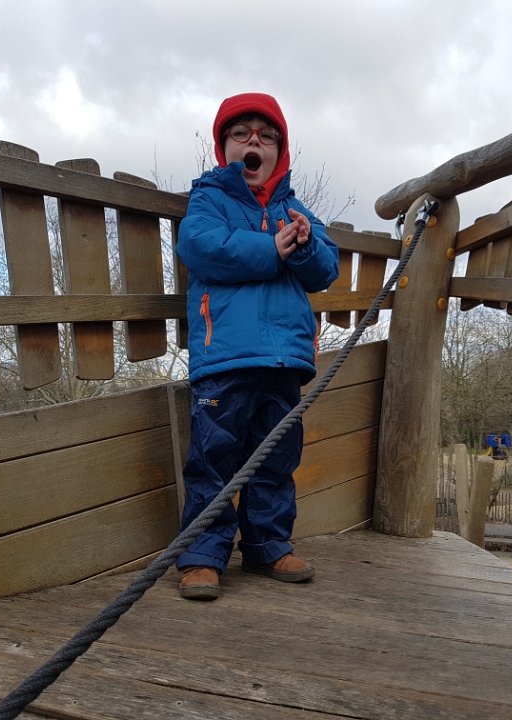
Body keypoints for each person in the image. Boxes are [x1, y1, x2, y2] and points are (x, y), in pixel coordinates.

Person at [174, 93, 340, 600]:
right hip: (224, 356)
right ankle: (203, 555)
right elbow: (202, 247)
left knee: (276, 458)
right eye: (242, 134)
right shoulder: (209, 199)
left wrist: (304, 245)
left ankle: (268, 544)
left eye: (267, 137)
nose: (255, 143)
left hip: (284, 360)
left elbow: (326, 269)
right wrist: (272, 248)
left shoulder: (294, 209)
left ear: (279, 153)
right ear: (224, 147)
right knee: (214, 458)